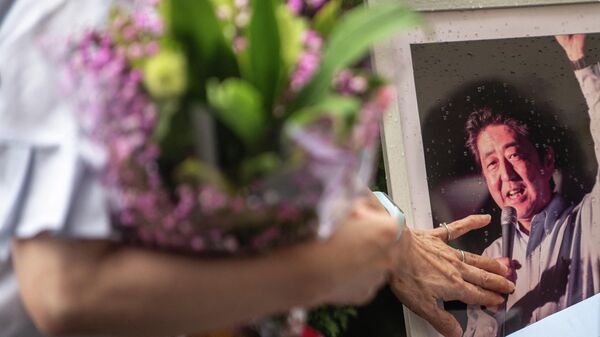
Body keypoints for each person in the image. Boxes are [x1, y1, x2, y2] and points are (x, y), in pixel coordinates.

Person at [0, 1, 513, 337]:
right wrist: (326, 269)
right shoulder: (80, 17)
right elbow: (65, 295)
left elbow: (235, 146)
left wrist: (380, 220)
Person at [463, 34, 600, 336]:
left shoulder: (590, 221)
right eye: (492, 164)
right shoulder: (487, 262)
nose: (507, 174)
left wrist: (580, 63)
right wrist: (490, 314)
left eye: (514, 155)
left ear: (547, 160)